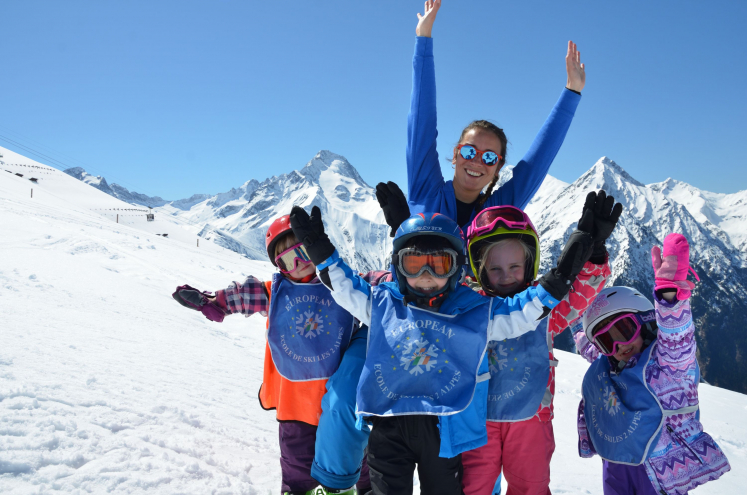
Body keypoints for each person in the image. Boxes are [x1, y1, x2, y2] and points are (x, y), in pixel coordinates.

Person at [288, 202, 595, 495]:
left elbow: (521, 313)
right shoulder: (383, 304)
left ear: (458, 268)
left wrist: (562, 274)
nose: (426, 277)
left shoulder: (472, 312)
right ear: (398, 267)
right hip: (389, 425)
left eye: (439, 264)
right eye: (414, 264)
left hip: (445, 428)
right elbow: (346, 289)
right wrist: (322, 253)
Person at [172, 214, 373, 495]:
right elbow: (243, 295)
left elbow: (375, 287)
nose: (298, 265)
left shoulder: (342, 285)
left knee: (359, 469)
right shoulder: (275, 293)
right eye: (286, 261)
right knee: (298, 474)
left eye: (303, 252)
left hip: (342, 409)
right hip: (295, 409)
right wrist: (212, 301)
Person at [459, 191, 621, 495]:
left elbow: (579, 295)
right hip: (478, 419)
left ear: (530, 263)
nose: (505, 276)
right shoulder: (469, 305)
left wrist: (594, 252)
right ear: (479, 269)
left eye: (514, 267)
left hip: (532, 417)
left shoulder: (543, 306)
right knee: (473, 487)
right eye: (494, 268)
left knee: (530, 486)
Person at [408, 0, 586, 231]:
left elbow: (537, 162)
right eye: (470, 151)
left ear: (498, 168)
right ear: (455, 154)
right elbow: (421, 121)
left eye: (489, 158)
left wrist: (572, 91)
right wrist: (424, 38)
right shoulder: (426, 189)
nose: (477, 161)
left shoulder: (497, 213)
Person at [573, 233, 731, 494]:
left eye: (623, 330)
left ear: (646, 322)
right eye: (606, 341)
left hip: (661, 468)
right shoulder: (611, 361)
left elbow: (677, 336)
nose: (619, 346)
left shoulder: (670, 364)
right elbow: (588, 345)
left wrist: (670, 298)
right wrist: (574, 314)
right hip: (617, 461)